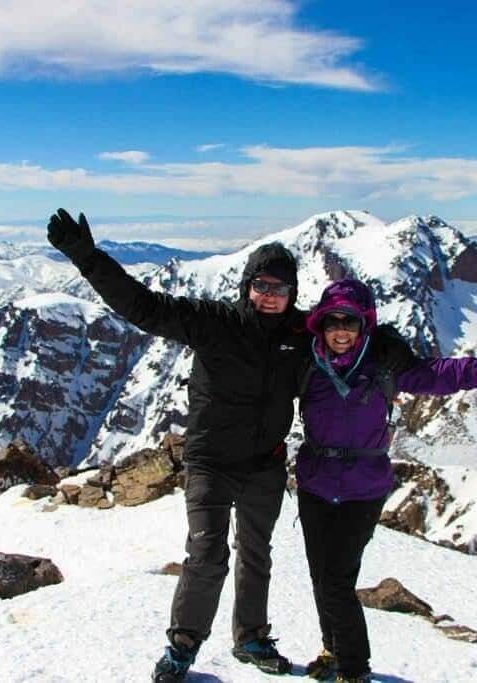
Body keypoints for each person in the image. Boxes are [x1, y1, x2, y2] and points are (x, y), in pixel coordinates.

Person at [46, 210, 413, 682]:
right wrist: (87, 258)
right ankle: (182, 646)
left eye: (279, 290)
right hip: (211, 461)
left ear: (291, 295)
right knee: (207, 554)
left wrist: (388, 346)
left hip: (264, 463)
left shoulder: (300, 335)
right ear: (246, 287)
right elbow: (142, 306)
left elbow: (349, 335)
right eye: (261, 286)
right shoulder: (212, 322)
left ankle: (251, 637)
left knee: (257, 552)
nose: (269, 297)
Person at [295, 278, 477, 682]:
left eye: (351, 322)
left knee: (336, 581)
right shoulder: (306, 362)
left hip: (363, 488)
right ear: (319, 325)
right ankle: (333, 648)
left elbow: (450, 374)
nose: (340, 331)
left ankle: (354, 669)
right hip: (315, 485)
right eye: (331, 322)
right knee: (320, 574)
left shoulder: (385, 365)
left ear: (366, 326)